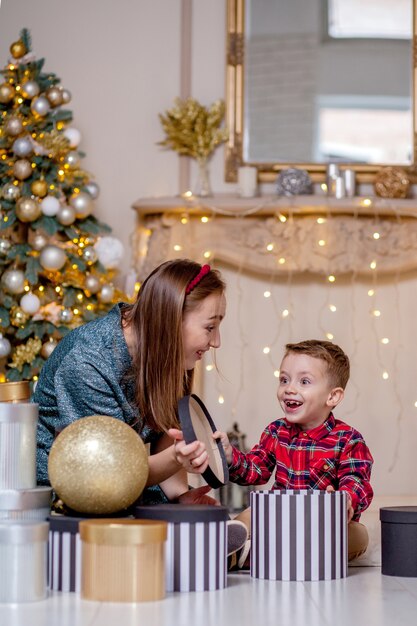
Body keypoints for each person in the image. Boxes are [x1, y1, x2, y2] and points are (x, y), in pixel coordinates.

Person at [34, 259, 227, 506]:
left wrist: (180, 499)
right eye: (210, 327)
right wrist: (176, 458)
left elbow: (167, 433)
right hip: (62, 498)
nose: (216, 342)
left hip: (121, 487)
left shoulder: (170, 352)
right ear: (171, 319)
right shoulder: (88, 361)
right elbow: (108, 472)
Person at [214, 339, 374, 568]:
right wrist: (230, 456)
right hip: (278, 515)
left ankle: (271, 553)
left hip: (323, 523)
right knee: (250, 515)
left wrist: (345, 499)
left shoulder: (348, 439)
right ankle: (230, 550)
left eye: (304, 381)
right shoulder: (276, 431)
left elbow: (357, 481)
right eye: (284, 379)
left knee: (359, 534)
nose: (289, 388)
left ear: (333, 396)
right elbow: (255, 470)